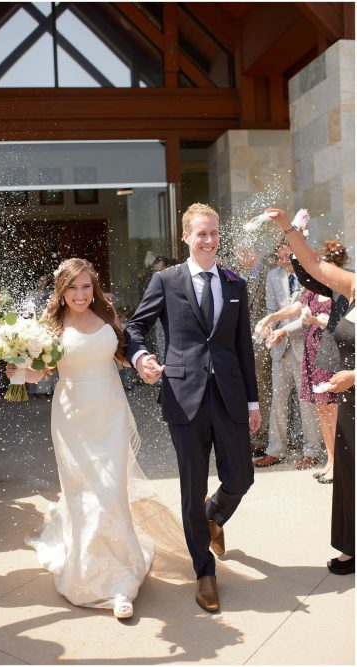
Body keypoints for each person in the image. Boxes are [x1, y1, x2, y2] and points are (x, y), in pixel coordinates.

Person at [125, 202, 261, 613]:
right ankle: (204, 572)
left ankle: (211, 518)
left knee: (242, 477)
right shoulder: (166, 280)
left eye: (214, 233)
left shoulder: (235, 283)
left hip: (231, 395)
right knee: (192, 486)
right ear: (185, 237)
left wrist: (253, 401)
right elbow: (135, 327)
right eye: (201, 233)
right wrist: (141, 357)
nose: (208, 240)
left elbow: (242, 347)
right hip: (184, 397)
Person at [7, 258, 153, 618]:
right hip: (73, 417)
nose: (80, 294)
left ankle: (121, 578)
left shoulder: (106, 314)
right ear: (62, 290)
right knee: (83, 495)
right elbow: (40, 375)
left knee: (111, 492)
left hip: (110, 411)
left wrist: (143, 362)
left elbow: (122, 351)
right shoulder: (51, 326)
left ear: (94, 287)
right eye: (73, 288)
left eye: (86, 286)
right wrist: (17, 371)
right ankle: (94, 577)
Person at [266, 208, 354, 575]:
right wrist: (288, 227)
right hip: (351, 399)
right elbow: (314, 264)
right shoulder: (351, 286)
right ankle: (352, 546)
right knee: (350, 473)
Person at [258, 240, 349, 483]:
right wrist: (273, 317)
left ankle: (340, 462)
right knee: (321, 407)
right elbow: (296, 308)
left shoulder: (343, 287)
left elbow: (345, 323)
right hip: (313, 354)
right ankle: (331, 460)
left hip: (332, 352)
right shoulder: (314, 287)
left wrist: (317, 321)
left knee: (334, 408)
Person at [254, 242, 321, 469]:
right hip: (280, 349)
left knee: (306, 402)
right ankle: (275, 449)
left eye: (287, 257)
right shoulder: (273, 275)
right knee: (278, 400)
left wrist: (283, 331)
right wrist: (269, 330)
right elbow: (272, 309)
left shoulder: (310, 275)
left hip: (305, 347)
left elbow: (306, 314)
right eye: (280, 257)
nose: (283, 262)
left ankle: (311, 451)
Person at [234, 245, 275, 456]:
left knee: (261, 388)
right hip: (244, 341)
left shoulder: (268, 271)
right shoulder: (243, 275)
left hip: (262, 342)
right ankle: (251, 434)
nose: (237, 258)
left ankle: (262, 437)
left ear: (250, 251)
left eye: (239, 253)